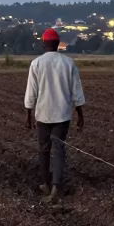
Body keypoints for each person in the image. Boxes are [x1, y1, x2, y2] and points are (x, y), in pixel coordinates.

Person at [24, 28, 85, 201]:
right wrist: (80, 114)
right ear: (58, 44)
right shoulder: (68, 63)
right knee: (59, 150)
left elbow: (31, 92)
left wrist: (28, 114)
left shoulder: (36, 63)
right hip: (62, 115)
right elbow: (76, 91)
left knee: (44, 150)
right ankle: (56, 187)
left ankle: (46, 183)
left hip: (43, 114)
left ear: (44, 44)